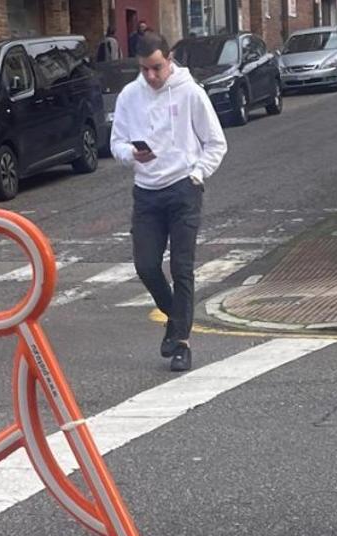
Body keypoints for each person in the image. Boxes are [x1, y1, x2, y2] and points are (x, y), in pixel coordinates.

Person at [110, 32, 227, 372]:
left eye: (157, 68)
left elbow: (216, 143)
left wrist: (197, 174)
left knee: (181, 268)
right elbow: (116, 142)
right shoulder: (130, 96)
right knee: (146, 266)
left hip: (183, 189)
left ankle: (182, 344)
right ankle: (176, 320)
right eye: (145, 69)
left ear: (170, 59)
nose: (151, 76)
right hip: (146, 191)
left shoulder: (190, 92)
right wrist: (132, 154)